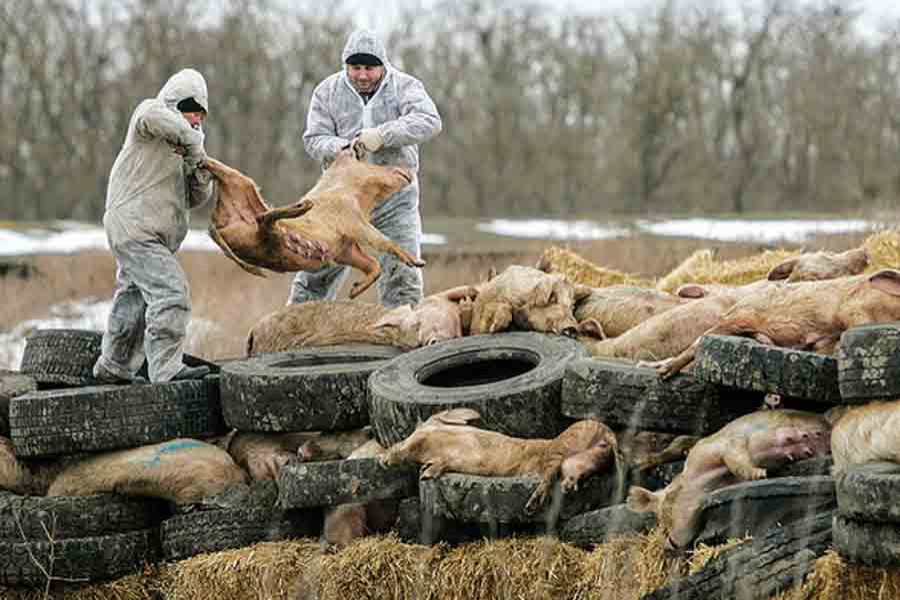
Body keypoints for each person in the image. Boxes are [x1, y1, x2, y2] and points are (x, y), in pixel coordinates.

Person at [288, 28, 442, 309]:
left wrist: (383, 135)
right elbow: (313, 139)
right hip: (338, 200)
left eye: (369, 68)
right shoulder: (327, 91)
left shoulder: (405, 87)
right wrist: (341, 149)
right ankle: (293, 333)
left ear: (383, 65)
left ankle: (402, 338)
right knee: (315, 269)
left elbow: (429, 120)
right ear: (345, 65)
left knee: (402, 276)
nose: (361, 75)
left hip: (394, 200)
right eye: (355, 67)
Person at [92, 68, 214, 384]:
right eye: (190, 111)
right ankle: (166, 370)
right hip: (135, 228)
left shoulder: (187, 146)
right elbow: (160, 119)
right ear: (175, 105)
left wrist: (199, 168)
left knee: (132, 300)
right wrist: (193, 143)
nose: (195, 120)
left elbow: (195, 198)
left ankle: (113, 367)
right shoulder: (149, 117)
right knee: (172, 294)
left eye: (200, 114)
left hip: (152, 236)